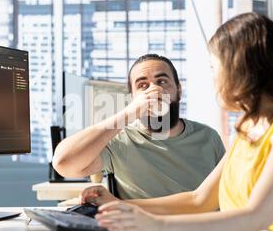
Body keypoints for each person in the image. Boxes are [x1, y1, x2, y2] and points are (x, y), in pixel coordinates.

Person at [80, 12, 273, 231]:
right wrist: (121, 206)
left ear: (242, 69)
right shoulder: (249, 127)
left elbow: (254, 219)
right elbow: (199, 200)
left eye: (216, 68)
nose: (214, 78)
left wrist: (155, 224)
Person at [53, 54, 225, 199]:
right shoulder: (120, 141)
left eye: (162, 81)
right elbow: (63, 163)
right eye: (142, 85)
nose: (154, 90)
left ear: (179, 91)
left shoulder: (209, 138)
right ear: (133, 98)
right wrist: (128, 113)